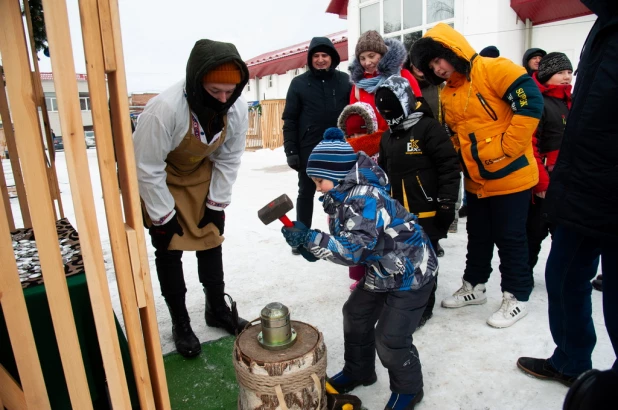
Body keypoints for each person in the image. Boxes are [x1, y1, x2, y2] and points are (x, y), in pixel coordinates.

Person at [280, 128, 437, 410]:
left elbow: (354, 250)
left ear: (338, 173)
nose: (316, 187)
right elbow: (344, 242)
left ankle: (410, 389)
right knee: (355, 314)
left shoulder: (365, 199)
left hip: (411, 273)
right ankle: (359, 370)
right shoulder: (340, 198)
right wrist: (309, 247)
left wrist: (312, 238)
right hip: (382, 269)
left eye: (319, 180)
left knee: (390, 337)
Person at [411, 23, 543, 328]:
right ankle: (475, 286)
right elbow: (456, 135)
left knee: (510, 238)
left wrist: (505, 148)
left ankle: (517, 295)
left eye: (438, 60)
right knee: (478, 236)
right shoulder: (447, 93)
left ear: (450, 51)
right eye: (431, 66)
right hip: (477, 181)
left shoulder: (493, 68)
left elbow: (531, 104)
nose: (438, 68)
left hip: (511, 176)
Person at [517, 0, 618, 388]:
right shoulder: (604, 27)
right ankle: (572, 360)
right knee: (561, 275)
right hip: (583, 187)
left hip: (611, 189)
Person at [133, 39, 250, 358]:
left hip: (200, 170)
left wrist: (216, 205)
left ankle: (216, 309)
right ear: (196, 82)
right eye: (215, 92)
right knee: (169, 247)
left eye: (230, 91)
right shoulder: (164, 110)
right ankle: (180, 323)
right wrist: (162, 216)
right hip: (161, 175)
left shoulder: (236, 106)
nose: (225, 99)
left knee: (211, 238)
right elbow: (146, 165)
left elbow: (229, 158)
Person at [375, 75, 460, 327]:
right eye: (384, 111)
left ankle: (423, 306)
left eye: (393, 108)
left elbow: (449, 167)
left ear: (405, 102)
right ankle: (401, 300)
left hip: (428, 212)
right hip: (397, 214)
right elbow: (382, 173)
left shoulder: (428, 128)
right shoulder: (388, 137)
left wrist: (446, 204)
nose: (389, 115)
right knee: (399, 259)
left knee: (424, 261)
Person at [282, 36, 351, 255]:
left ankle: (345, 237)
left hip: (338, 149)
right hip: (308, 149)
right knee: (306, 191)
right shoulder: (299, 84)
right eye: (316, 56)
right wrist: (291, 150)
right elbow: (290, 120)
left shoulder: (344, 81)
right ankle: (302, 236)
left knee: (343, 192)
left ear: (332, 58)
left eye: (325, 55)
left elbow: (353, 113)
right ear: (310, 59)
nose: (320, 60)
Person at [527, 52, 573, 276]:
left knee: (565, 232)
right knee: (534, 233)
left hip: (569, 181)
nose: (566, 77)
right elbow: (530, 144)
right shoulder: (539, 102)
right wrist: (541, 182)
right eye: (560, 73)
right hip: (544, 181)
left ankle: (563, 276)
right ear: (545, 75)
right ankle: (522, 277)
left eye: (569, 72)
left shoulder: (571, 101)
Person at [337, 101, 384, 291]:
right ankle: (361, 276)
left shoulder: (380, 153)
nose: (356, 139)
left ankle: (377, 275)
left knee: (375, 242)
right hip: (353, 208)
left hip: (374, 207)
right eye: (351, 135)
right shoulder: (345, 156)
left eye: (360, 133)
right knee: (356, 241)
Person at [349, 30, 422, 131]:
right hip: (373, 142)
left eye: (371, 56)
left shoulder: (403, 76)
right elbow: (354, 120)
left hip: (402, 138)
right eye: (362, 58)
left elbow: (419, 107)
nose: (367, 62)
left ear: (382, 54)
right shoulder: (358, 86)